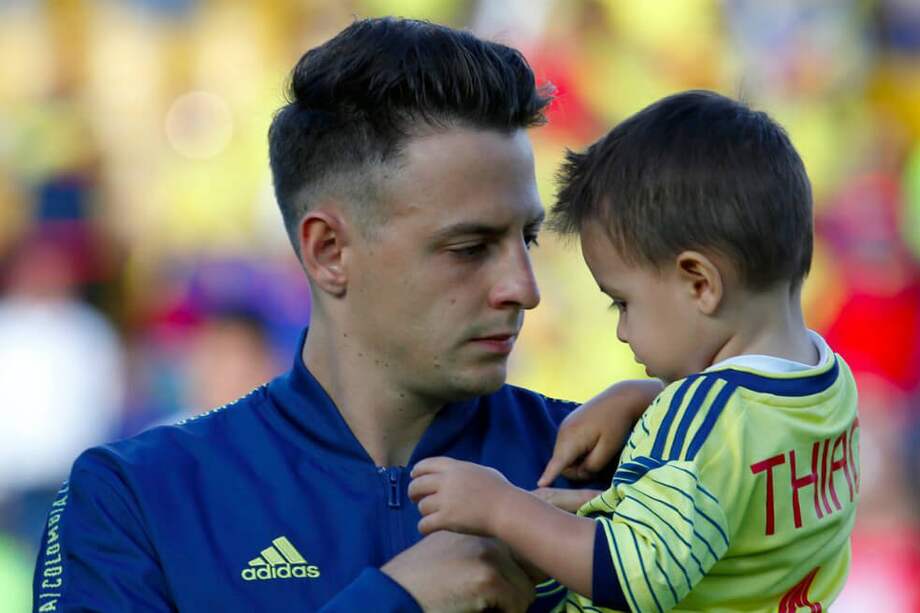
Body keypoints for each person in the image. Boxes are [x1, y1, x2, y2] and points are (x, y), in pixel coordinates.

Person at [32, 17, 661, 613]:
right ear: (328, 251)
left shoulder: (621, 471)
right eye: (469, 248)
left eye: (525, 240)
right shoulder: (134, 498)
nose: (524, 290)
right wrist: (395, 601)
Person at [409, 91, 860, 612]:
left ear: (698, 283)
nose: (622, 332)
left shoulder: (701, 420)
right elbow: (748, 435)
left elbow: (632, 577)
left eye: (622, 302)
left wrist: (500, 507)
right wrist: (641, 396)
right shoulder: (825, 377)